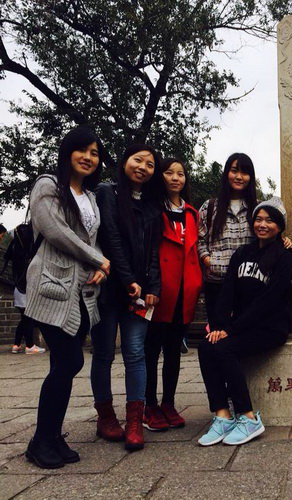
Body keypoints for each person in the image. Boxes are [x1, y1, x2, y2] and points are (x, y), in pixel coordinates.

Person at [23, 126, 110, 468]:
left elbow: (92, 240)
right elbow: (55, 231)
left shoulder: (90, 197)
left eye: (95, 153)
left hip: (82, 292)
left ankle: (52, 435)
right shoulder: (48, 185)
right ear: (67, 152)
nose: (88, 157)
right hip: (52, 285)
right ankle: (40, 441)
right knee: (70, 361)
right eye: (82, 150)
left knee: (62, 364)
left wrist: (101, 267)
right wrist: (97, 259)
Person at [198, 197, 292, 446]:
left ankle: (248, 417)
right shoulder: (242, 253)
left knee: (224, 348)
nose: (263, 225)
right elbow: (227, 292)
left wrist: (231, 330)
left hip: (270, 327)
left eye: (270, 221)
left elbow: (269, 301)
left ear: (279, 227)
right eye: (258, 219)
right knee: (206, 346)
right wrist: (219, 326)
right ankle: (222, 415)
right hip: (241, 326)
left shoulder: (283, 256)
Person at [91, 144, 162, 451]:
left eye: (150, 164)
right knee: (104, 353)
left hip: (138, 293)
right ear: (124, 162)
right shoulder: (107, 193)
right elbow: (111, 238)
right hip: (109, 288)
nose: (143, 167)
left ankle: (134, 421)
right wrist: (127, 278)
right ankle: (106, 417)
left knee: (135, 353)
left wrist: (153, 286)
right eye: (138, 160)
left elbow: (154, 251)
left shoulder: (152, 205)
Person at [143, 158, 203, 431]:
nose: (175, 178)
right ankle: (149, 405)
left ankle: (168, 402)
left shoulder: (192, 213)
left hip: (185, 290)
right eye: (169, 173)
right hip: (159, 290)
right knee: (151, 350)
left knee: (174, 350)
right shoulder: (152, 210)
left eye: (180, 173)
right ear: (161, 177)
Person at [198, 153, 257, 321]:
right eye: (234, 171)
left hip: (248, 283)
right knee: (218, 331)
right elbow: (200, 240)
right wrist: (209, 261)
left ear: (251, 177)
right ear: (226, 174)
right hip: (217, 283)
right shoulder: (210, 206)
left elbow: (268, 237)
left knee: (246, 331)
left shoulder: (257, 208)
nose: (239, 176)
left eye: (244, 172)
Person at [3, 223, 45, 354]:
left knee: (24, 318)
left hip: (18, 287)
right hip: (26, 287)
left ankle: (16, 344)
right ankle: (30, 346)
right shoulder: (29, 251)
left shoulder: (15, 247)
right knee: (28, 318)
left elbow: (6, 258)